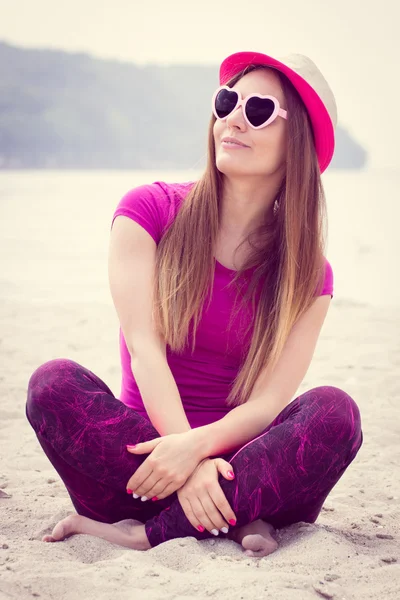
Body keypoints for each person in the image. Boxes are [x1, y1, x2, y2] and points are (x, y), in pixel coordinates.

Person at [25, 50, 363, 558]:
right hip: (145, 466)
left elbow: (268, 404)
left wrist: (202, 452)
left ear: (298, 145)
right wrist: (185, 458)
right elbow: (144, 350)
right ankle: (237, 520)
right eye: (228, 101)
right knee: (51, 385)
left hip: (247, 470)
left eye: (258, 110)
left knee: (337, 414)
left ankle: (149, 533)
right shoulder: (147, 212)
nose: (232, 118)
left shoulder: (310, 274)